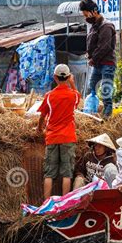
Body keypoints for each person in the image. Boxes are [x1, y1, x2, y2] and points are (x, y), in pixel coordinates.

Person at [37, 64, 81, 198]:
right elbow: (79, 98)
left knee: (49, 173)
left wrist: (39, 128)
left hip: (52, 137)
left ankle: (46, 203)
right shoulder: (73, 95)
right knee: (67, 173)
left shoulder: (49, 96)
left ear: (54, 77)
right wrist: (72, 84)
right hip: (68, 137)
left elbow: (42, 116)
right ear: (68, 77)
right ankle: (64, 204)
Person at [79, 0, 116, 118]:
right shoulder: (94, 26)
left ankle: (107, 117)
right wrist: (89, 54)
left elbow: (104, 47)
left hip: (107, 64)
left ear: (94, 11)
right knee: (91, 89)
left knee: (106, 92)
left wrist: (93, 59)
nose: (86, 18)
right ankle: (91, 113)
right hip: (97, 64)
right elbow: (93, 45)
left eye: (86, 14)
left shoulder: (106, 26)